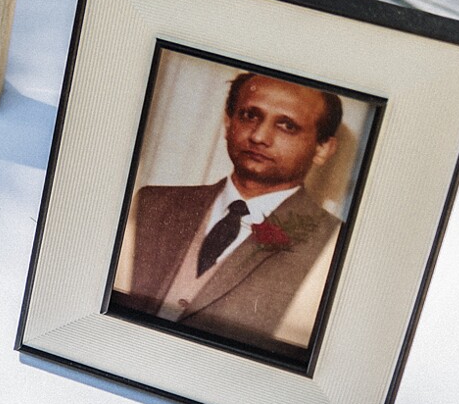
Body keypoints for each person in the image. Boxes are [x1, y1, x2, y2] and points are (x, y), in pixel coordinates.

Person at [112, 72, 344, 357]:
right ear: (227, 123)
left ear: (323, 149)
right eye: (249, 115)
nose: (258, 136)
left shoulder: (333, 245)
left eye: (286, 125)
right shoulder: (151, 203)